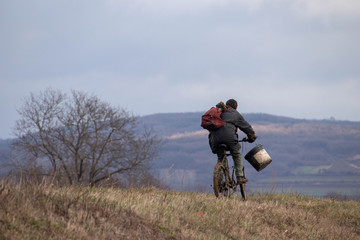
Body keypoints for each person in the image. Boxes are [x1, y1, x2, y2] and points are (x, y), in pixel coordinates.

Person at [208, 99, 256, 184]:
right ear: (236, 107)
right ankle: (240, 176)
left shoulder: (218, 112)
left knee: (221, 157)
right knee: (236, 154)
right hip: (230, 139)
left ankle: (218, 180)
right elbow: (246, 128)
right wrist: (251, 136)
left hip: (215, 140)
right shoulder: (235, 114)